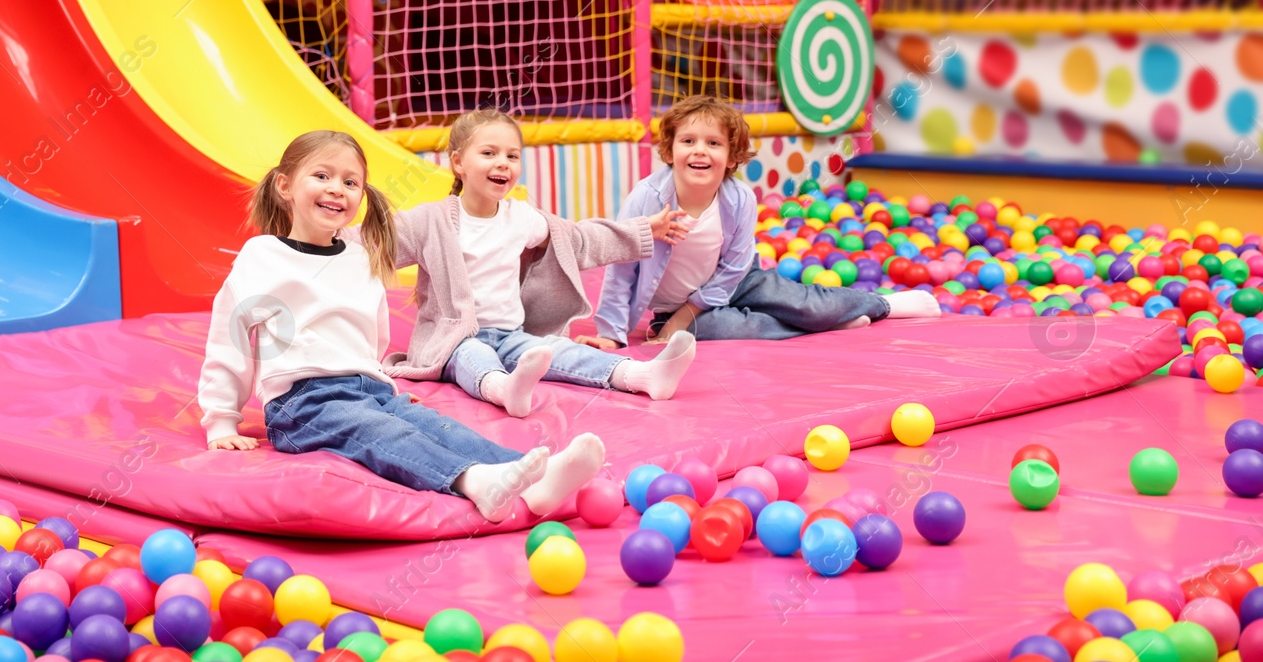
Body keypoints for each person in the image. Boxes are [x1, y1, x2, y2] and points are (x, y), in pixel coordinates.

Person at [199, 129, 604, 522]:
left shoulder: (359, 257)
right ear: (285, 186)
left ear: (361, 195)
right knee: (382, 433)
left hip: (368, 388)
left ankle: (534, 476)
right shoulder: (263, 255)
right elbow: (230, 338)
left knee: (437, 426)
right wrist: (221, 418)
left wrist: (376, 379)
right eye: (321, 176)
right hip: (303, 404)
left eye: (350, 181)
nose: (337, 188)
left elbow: (371, 333)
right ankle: (477, 481)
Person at [382, 109, 697, 418]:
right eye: (489, 153)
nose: (502, 163)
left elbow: (578, 239)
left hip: (510, 335)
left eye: (512, 156)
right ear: (458, 162)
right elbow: (374, 244)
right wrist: (333, 233)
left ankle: (642, 375)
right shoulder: (430, 220)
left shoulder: (520, 217)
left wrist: (643, 229)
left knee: (558, 350)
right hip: (453, 341)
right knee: (472, 355)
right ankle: (504, 389)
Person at [586, 95, 940, 348]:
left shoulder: (738, 199)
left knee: (808, 304)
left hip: (740, 281)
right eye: (688, 141)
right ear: (670, 150)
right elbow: (622, 268)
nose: (699, 150)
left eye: (713, 143)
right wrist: (611, 334)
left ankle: (885, 305)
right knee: (730, 329)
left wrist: (685, 316)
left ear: (731, 158)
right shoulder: (647, 197)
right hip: (673, 307)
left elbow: (734, 266)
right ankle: (828, 325)